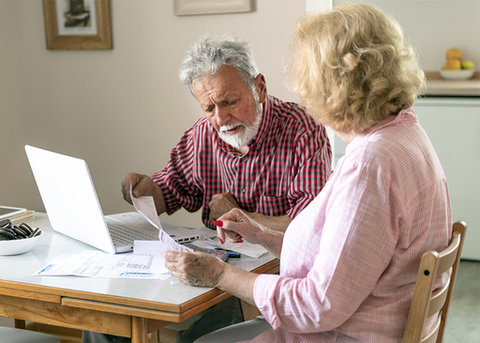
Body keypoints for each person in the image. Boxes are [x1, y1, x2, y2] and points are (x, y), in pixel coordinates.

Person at [162, 4, 452, 342]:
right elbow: (347, 254)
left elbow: (318, 305)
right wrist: (261, 234)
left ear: (328, 84)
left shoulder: (371, 164)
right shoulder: (404, 132)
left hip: (346, 334)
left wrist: (220, 274)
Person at [83, 35, 331, 343]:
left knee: (196, 338)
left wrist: (245, 218)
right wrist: (143, 189)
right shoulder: (203, 134)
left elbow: (312, 227)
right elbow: (168, 189)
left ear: (260, 87)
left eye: (230, 102)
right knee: (103, 321)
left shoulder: (303, 129)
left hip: (272, 282)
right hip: (212, 269)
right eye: (208, 108)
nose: (221, 119)